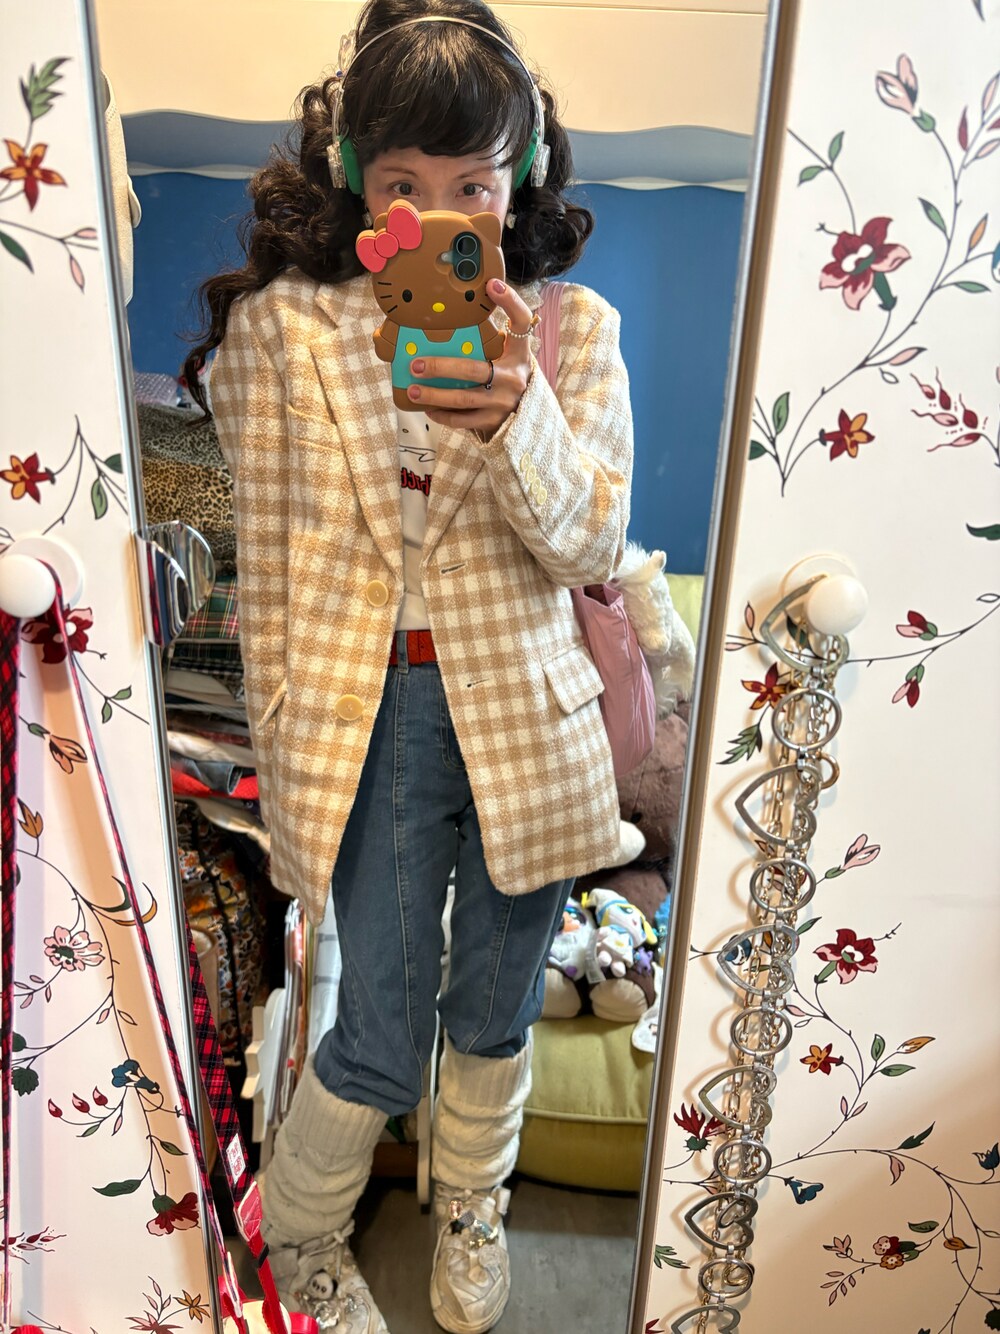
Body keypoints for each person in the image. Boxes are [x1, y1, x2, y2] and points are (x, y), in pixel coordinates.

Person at [185, 0, 633, 1328]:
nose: (437, 213)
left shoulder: (572, 330)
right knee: (379, 1024)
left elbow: (592, 545)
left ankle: (472, 1205)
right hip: (372, 714)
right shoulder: (286, 331)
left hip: (530, 718)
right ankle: (303, 1237)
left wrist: (519, 415)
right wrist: (286, 734)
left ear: (519, 177)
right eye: (402, 184)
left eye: (472, 186)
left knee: (497, 1003)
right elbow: (273, 563)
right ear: (353, 176)